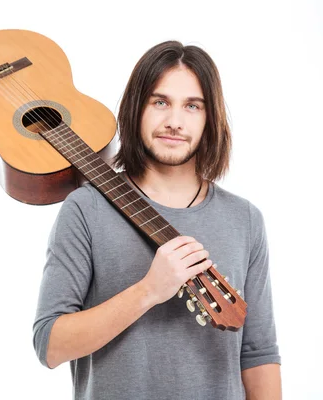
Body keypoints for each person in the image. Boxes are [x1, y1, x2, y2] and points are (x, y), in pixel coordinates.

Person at [32, 39, 282, 399]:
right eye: (160, 102)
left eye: (192, 106)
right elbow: (49, 344)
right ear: (137, 109)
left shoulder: (244, 219)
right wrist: (149, 291)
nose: (174, 122)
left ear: (210, 119)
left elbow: (258, 354)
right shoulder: (86, 209)